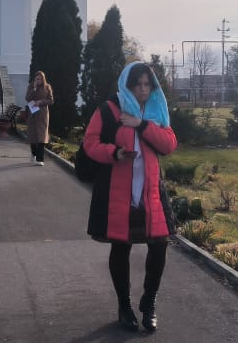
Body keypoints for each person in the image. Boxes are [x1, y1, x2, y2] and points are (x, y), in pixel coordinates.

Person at [83, 62, 177, 332]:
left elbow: (169, 144)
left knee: (159, 244)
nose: (143, 89)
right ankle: (125, 306)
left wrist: (141, 124)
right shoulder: (109, 110)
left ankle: (149, 304)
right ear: (127, 84)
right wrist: (114, 153)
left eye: (148, 84)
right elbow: (90, 143)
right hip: (118, 190)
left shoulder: (156, 110)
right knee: (121, 247)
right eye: (137, 84)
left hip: (150, 191)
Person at [25, 71, 54, 166]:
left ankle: (40, 159)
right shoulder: (31, 86)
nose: (38, 81)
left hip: (43, 115)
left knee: (42, 137)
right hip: (33, 114)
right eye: (37, 79)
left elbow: (51, 100)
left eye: (40, 79)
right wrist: (33, 89)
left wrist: (41, 101)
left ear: (43, 79)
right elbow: (27, 98)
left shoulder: (47, 87)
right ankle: (33, 153)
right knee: (33, 136)